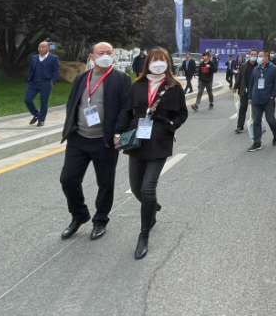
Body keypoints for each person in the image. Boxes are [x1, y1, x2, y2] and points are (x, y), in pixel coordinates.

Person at [58, 42, 133, 241]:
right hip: (78, 138)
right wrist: (70, 127)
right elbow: (72, 103)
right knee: (68, 179)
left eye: (109, 52)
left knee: (105, 183)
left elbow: (126, 108)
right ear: (91, 56)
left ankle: (100, 220)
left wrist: (118, 132)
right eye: (101, 53)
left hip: (104, 141)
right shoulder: (82, 78)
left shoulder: (121, 79)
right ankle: (79, 215)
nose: (106, 55)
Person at [125, 48, 188, 259]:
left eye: (162, 60)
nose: (158, 63)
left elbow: (182, 113)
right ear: (147, 63)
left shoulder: (174, 87)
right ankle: (152, 207)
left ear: (167, 63)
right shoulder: (137, 85)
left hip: (160, 141)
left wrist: (171, 125)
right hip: (138, 141)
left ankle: (144, 233)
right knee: (136, 188)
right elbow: (127, 112)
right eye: (154, 60)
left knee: (148, 187)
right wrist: (119, 133)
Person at [247, 51, 276, 151]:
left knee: (270, 119)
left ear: (266, 58)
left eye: (260, 56)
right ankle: (257, 142)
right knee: (256, 121)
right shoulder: (256, 69)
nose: (257, 58)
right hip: (256, 99)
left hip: (268, 100)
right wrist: (250, 96)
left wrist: (273, 95)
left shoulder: (274, 69)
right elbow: (251, 84)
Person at [24, 41, 60, 127]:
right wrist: (29, 78)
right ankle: (36, 114)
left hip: (46, 83)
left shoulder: (54, 58)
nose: (40, 49)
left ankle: (41, 120)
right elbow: (31, 69)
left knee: (43, 102)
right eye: (39, 47)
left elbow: (56, 71)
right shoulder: (34, 58)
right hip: (33, 83)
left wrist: (52, 81)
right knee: (27, 99)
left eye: (43, 47)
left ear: (48, 48)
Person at [234, 51, 259, 134]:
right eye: (252, 54)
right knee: (243, 108)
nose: (253, 56)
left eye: (255, 54)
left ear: (257, 56)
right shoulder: (244, 65)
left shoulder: (259, 66)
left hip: (256, 90)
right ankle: (240, 126)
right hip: (245, 89)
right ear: (249, 55)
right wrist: (235, 87)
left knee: (256, 109)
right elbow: (239, 76)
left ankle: (256, 125)